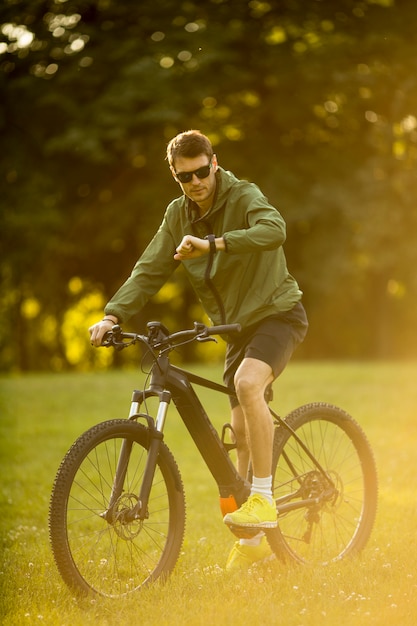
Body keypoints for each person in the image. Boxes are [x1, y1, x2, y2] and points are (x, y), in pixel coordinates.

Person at [89, 130, 308, 571]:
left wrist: (215, 243)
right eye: (184, 177)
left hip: (278, 313)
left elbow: (275, 230)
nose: (196, 183)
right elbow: (150, 268)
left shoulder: (244, 195)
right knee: (241, 434)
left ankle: (264, 499)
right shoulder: (179, 215)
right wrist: (112, 316)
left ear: (214, 162)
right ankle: (254, 544)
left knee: (249, 384)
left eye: (202, 171)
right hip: (235, 331)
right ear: (176, 176)